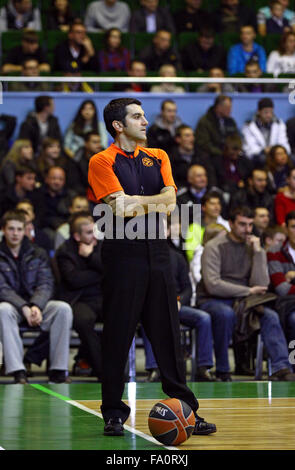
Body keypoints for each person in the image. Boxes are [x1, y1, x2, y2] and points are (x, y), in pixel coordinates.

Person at [88, 97, 216, 436]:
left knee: (169, 338)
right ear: (118, 125)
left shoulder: (159, 156)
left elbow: (172, 202)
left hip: (158, 253)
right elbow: (119, 210)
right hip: (121, 255)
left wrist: (140, 202)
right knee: (117, 337)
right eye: (137, 116)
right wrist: (152, 202)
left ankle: (188, 412)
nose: (145, 121)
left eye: (143, 115)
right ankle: (114, 413)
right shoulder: (101, 161)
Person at [197, 205, 295, 382]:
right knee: (225, 314)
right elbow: (213, 285)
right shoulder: (214, 246)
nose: (247, 229)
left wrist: (258, 253)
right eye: (242, 224)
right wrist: (248, 290)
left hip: (245, 301)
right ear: (231, 224)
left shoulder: (253, 247)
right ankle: (223, 370)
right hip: (213, 299)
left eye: (250, 225)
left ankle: (281, 367)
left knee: (270, 316)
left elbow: (262, 284)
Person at [0, 209, 72, 384]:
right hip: (13, 307)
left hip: (36, 307)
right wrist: (24, 307)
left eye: (19, 229)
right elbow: (2, 288)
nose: (15, 233)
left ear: (25, 230)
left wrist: (36, 306)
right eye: (11, 229)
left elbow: (46, 283)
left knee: (63, 308)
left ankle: (58, 370)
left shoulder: (37, 252)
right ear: (3, 230)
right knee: (2, 309)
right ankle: (18, 371)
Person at [142, 238, 214, 382]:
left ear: (167, 232)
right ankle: (154, 367)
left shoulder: (177, 257)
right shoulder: (143, 256)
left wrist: (178, 300)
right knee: (147, 317)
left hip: (176, 304)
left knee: (204, 318)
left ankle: (203, 367)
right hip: (152, 305)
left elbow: (187, 287)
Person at [55, 212, 103, 380]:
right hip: (79, 300)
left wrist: (90, 257)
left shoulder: (100, 245)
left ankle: (120, 368)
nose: (94, 235)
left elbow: (112, 271)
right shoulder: (65, 251)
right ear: (77, 236)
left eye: (94, 231)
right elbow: (73, 280)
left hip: (104, 297)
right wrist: (99, 272)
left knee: (122, 315)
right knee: (83, 321)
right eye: (89, 233)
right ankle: (103, 371)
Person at [267, 210, 295, 358]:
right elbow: (282, 288)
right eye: (293, 227)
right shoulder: (274, 252)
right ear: (285, 229)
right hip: (288, 306)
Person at [242, 97, 291, 165]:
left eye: (271, 112)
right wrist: (264, 151)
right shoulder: (249, 126)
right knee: (262, 159)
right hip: (259, 157)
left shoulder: (279, 124)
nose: (268, 115)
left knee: (290, 158)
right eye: (265, 112)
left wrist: (275, 151)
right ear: (258, 112)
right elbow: (250, 149)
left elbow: (284, 143)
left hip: (276, 155)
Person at [185, 190, 230, 262]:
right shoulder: (194, 227)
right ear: (203, 207)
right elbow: (191, 255)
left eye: (218, 203)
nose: (217, 207)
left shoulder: (228, 225)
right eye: (212, 204)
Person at [195, 95, 238, 160]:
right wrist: (221, 153)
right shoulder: (204, 122)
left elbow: (236, 138)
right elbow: (204, 144)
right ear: (218, 107)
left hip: (229, 154)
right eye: (228, 108)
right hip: (212, 156)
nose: (230, 110)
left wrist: (234, 150)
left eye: (231, 107)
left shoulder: (231, 121)